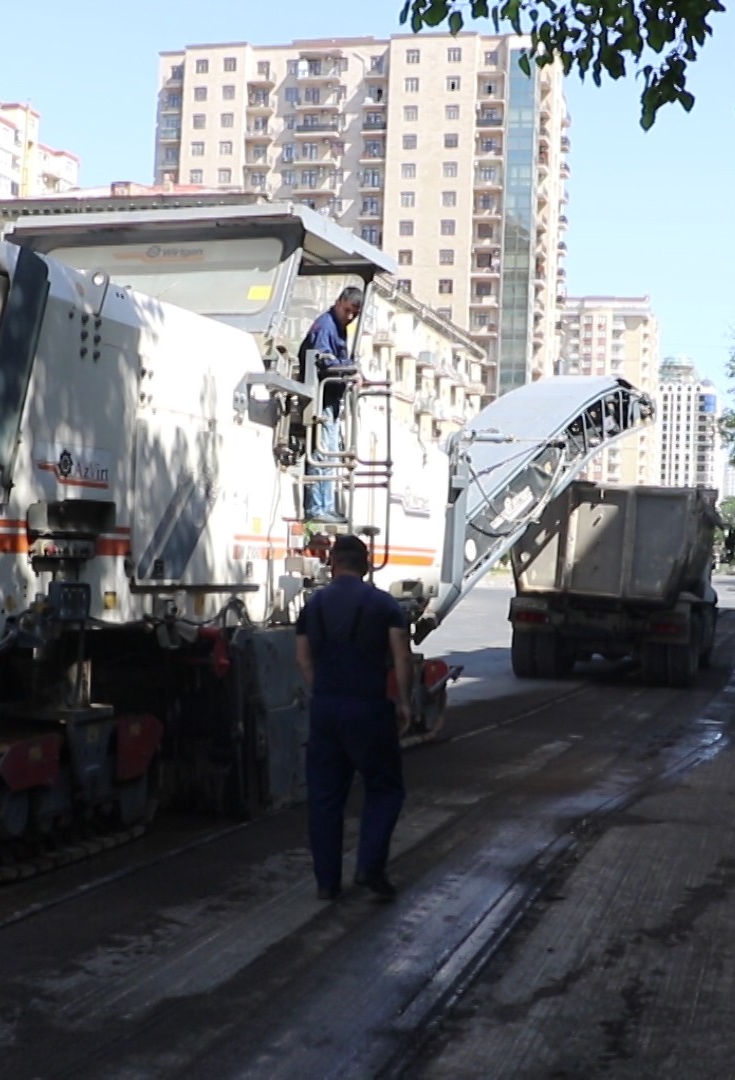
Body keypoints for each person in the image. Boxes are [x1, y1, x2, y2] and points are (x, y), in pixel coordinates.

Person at [294, 534, 413, 901]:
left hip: (327, 709)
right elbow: (401, 657)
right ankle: (369, 867)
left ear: (332, 563)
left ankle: (327, 883)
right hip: (369, 708)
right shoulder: (384, 605)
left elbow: (303, 658)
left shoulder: (312, 606)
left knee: (326, 797)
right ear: (366, 564)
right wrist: (404, 701)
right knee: (384, 787)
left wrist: (324, 692)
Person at [300, 287, 364, 523]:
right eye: (347, 310)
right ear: (338, 303)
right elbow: (325, 362)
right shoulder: (326, 326)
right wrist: (350, 371)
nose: (349, 317)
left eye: (354, 314)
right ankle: (318, 508)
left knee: (330, 455)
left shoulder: (339, 328)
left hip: (331, 398)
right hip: (320, 397)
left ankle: (325, 506)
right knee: (323, 453)